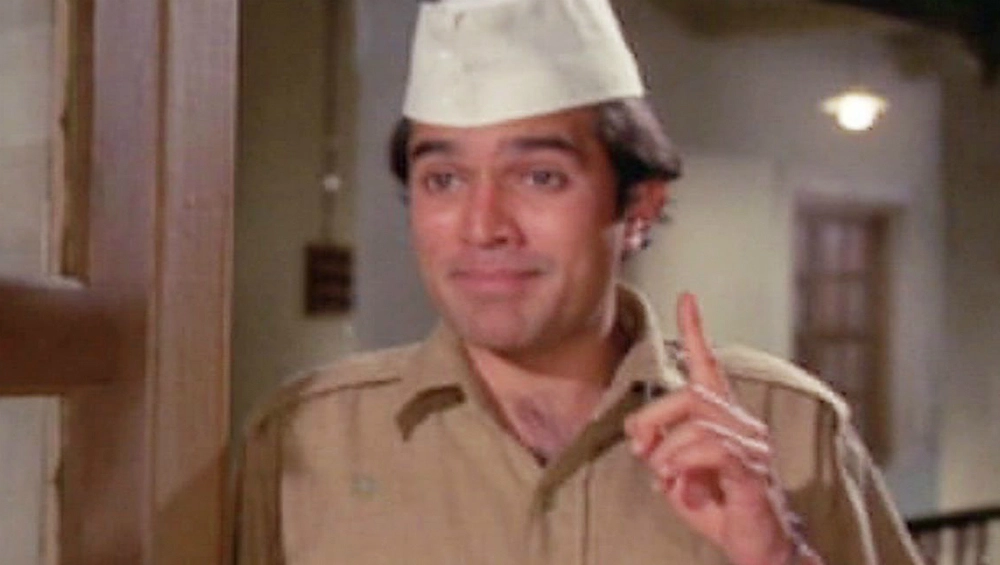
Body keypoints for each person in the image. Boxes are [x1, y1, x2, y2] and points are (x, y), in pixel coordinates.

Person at [234, 1, 924, 564]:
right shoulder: (310, 439)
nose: (483, 226)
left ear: (638, 207)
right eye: (443, 179)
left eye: (540, 177)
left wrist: (778, 557)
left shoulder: (791, 429)